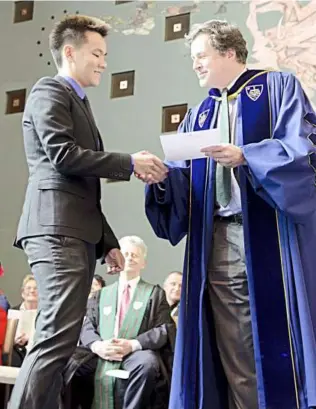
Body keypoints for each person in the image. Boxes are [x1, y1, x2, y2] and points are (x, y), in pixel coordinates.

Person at [145, 19, 316, 409]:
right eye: (193, 59)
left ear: (228, 52)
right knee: (235, 344)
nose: (196, 66)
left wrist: (248, 156)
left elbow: (306, 150)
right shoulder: (198, 116)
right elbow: (183, 185)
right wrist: (159, 179)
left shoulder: (278, 88)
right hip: (219, 241)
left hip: (275, 235)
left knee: (286, 338)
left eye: (201, 56)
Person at [11, 14, 167, 409]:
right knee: (53, 337)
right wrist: (129, 163)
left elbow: (83, 189)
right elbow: (64, 156)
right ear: (69, 51)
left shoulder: (80, 101)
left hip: (74, 231)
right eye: (96, 53)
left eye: (105, 54)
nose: (103, 61)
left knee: (61, 341)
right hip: (55, 228)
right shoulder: (50, 90)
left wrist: (108, 243)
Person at [67, 236, 176, 409]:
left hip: (136, 354)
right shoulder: (101, 295)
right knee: (69, 364)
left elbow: (164, 329)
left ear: (143, 263)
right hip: (101, 351)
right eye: (125, 254)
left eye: (135, 255)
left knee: (147, 365)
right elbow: (87, 325)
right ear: (117, 260)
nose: (130, 257)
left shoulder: (155, 294)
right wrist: (98, 346)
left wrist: (132, 345)